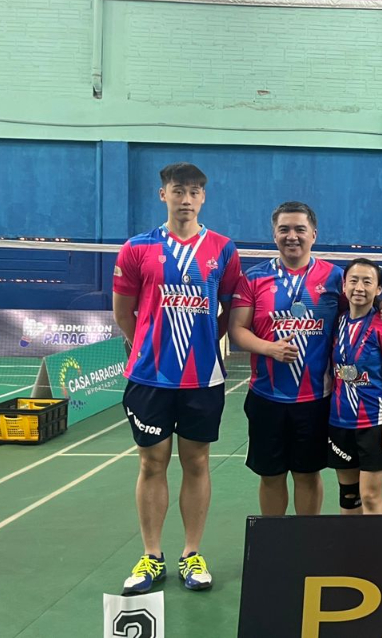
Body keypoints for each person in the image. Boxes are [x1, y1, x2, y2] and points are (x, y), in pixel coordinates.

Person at [112, 162, 242, 595]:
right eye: (178, 190)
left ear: (203, 197)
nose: (185, 199)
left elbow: (231, 312)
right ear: (162, 194)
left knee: (197, 462)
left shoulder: (223, 249)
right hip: (150, 378)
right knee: (151, 463)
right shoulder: (137, 248)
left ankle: (192, 553)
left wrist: (203, 344)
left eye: (193, 192)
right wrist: (148, 348)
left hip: (202, 379)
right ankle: (152, 555)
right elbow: (123, 312)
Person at [229, 202, 338, 518]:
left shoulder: (335, 277)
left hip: (315, 399)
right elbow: (237, 329)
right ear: (274, 234)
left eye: (300, 229)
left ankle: (306, 539)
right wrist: (269, 348)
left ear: (313, 235)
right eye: (284, 229)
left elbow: (358, 315)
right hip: (266, 397)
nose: (292, 236)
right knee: (271, 475)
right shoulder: (253, 278)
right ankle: (274, 539)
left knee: (308, 474)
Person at [328, 258, 382, 514]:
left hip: (373, 423)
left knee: (370, 495)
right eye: (353, 281)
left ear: (378, 289)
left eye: (367, 282)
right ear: (344, 286)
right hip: (339, 422)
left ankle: (377, 542)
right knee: (348, 495)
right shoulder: (336, 323)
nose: (359, 287)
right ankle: (352, 542)